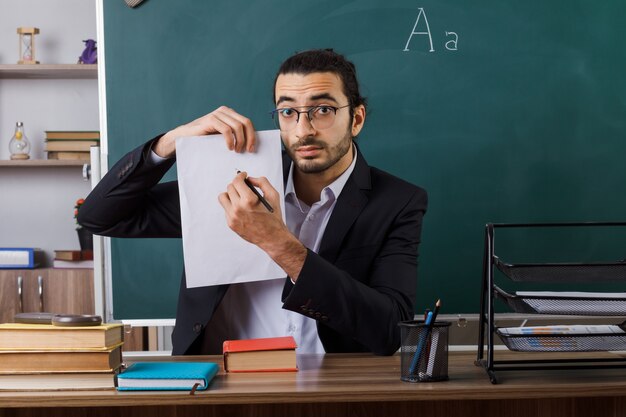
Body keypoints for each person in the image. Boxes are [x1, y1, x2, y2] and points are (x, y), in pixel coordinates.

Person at [78, 49, 428, 356]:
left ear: (356, 119)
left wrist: (277, 243)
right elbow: (98, 217)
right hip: (220, 381)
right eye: (288, 112)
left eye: (322, 110)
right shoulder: (233, 180)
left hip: (330, 381)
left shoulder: (398, 201)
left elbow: (389, 330)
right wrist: (170, 143)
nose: (303, 129)